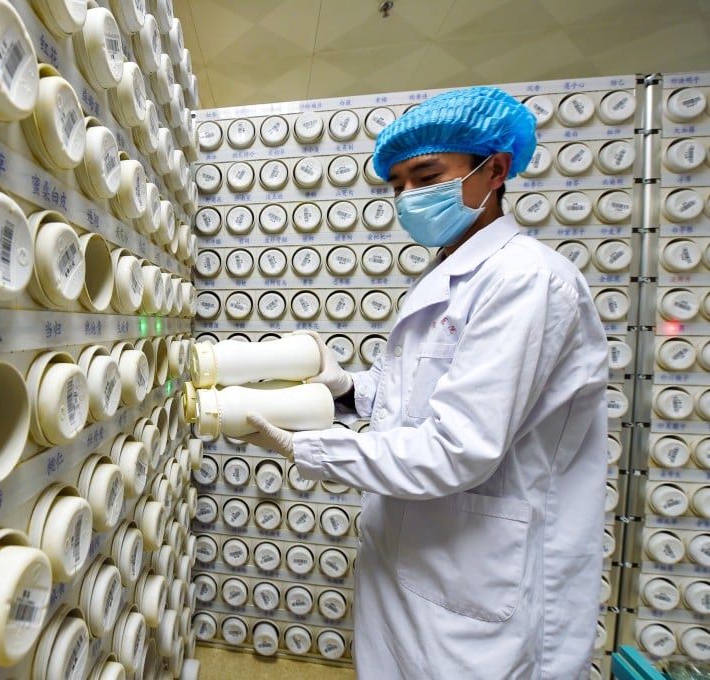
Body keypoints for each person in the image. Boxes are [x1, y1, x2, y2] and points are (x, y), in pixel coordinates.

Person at [241, 86, 609, 679]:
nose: (409, 196)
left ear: (495, 170)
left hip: (480, 578)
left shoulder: (527, 281)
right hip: (416, 554)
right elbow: (415, 399)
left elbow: (457, 448)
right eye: (398, 185)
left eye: (427, 174)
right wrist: (345, 392)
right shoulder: (445, 278)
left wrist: (302, 447)